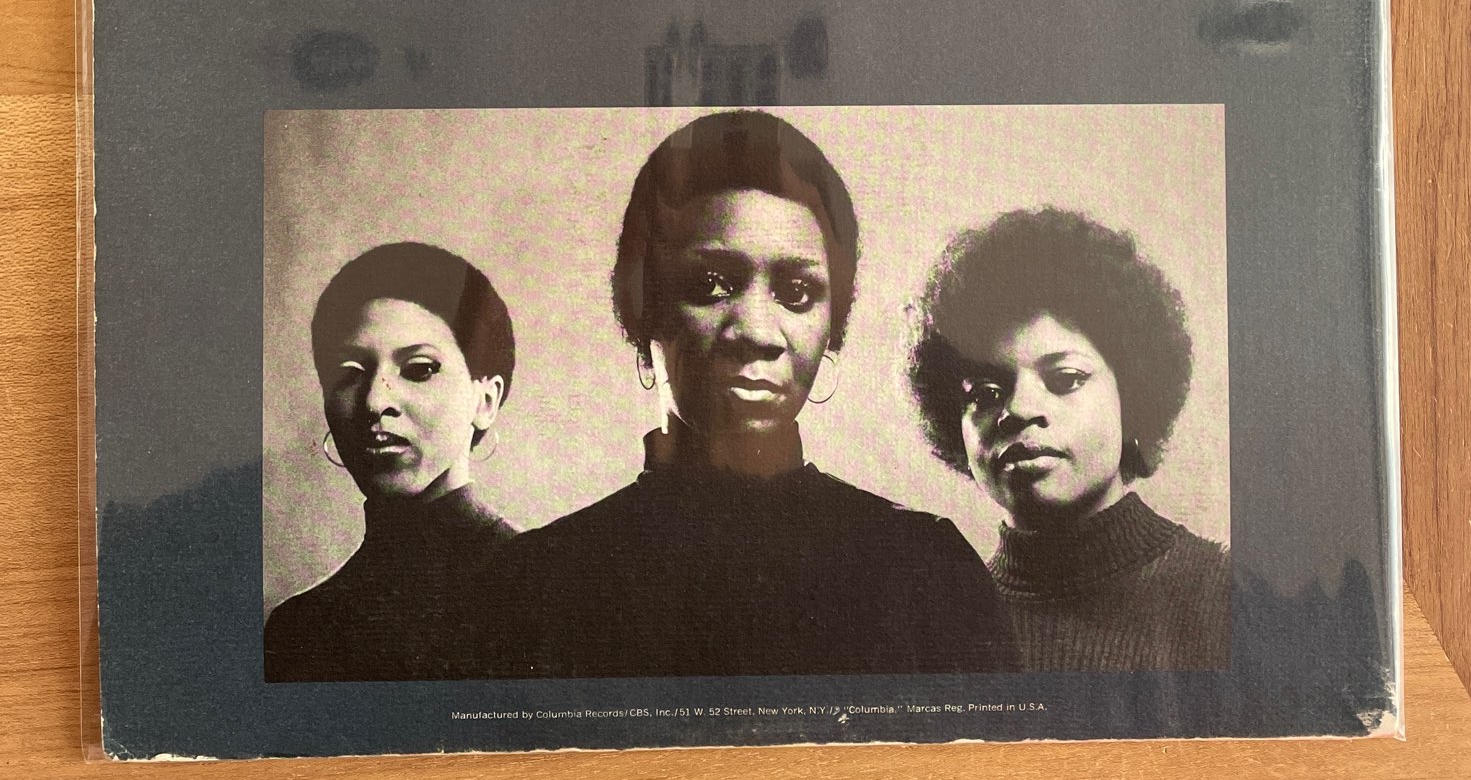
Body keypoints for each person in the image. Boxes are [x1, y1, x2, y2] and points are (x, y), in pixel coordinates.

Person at [503, 110, 1000, 678]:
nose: (758, 333)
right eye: (712, 284)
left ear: (832, 328)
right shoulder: (533, 586)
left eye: (797, 292)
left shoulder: (928, 572)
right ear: (643, 309)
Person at [908, 207, 1230, 671]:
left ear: (1132, 396)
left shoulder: (1229, 597)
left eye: (1065, 379)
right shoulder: (941, 631)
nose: (1019, 410)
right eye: (986, 393)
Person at [264, 241, 517, 681]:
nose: (375, 402)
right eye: (348, 374)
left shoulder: (544, 590)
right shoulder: (298, 629)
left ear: (486, 401)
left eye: (419, 369)